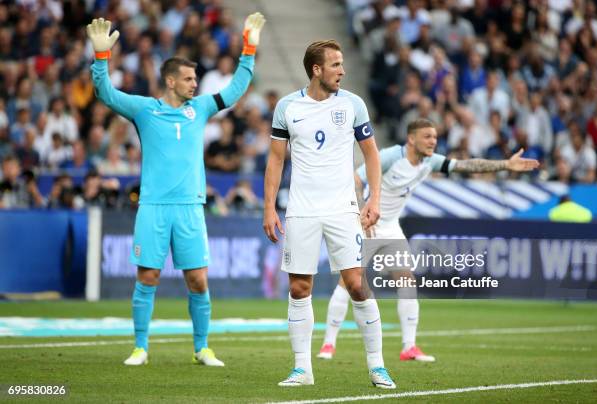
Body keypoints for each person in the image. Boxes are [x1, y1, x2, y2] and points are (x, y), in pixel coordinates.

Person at [86, 13, 266, 366]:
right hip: (153, 205)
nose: (194, 84)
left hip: (190, 207)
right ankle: (140, 347)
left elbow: (235, 89)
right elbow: (105, 93)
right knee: (147, 276)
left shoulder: (198, 109)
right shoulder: (145, 110)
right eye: (187, 78)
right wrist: (101, 57)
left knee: (198, 280)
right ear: (169, 81)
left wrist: (248, 49)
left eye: (195, 78)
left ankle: (202, 348)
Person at [317, 118, 539, 362]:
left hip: (390, 227)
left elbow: (467, 165)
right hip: (366, 223)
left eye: (434, 137)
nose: (433, 141)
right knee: (350, 282)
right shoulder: (392, 156)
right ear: (411, 139)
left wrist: (506, 164)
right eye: (427, 137)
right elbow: (356, 180)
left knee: (407, 282)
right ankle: (328, 345)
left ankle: (409, 347)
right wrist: (362, 211)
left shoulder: (430, 161)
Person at [263, 39, 395, 389]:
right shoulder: (287, 107)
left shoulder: (353, 104)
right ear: (316, 69)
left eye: (342, 64)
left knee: (356, 284)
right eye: (335, 64)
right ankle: (302, 369)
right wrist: (269, 208)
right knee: (299, 286)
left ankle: (377, 365)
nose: (342, 70)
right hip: (301, 210)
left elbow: (372, 155)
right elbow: (275, 160)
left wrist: (373, 200)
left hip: (342, 209)